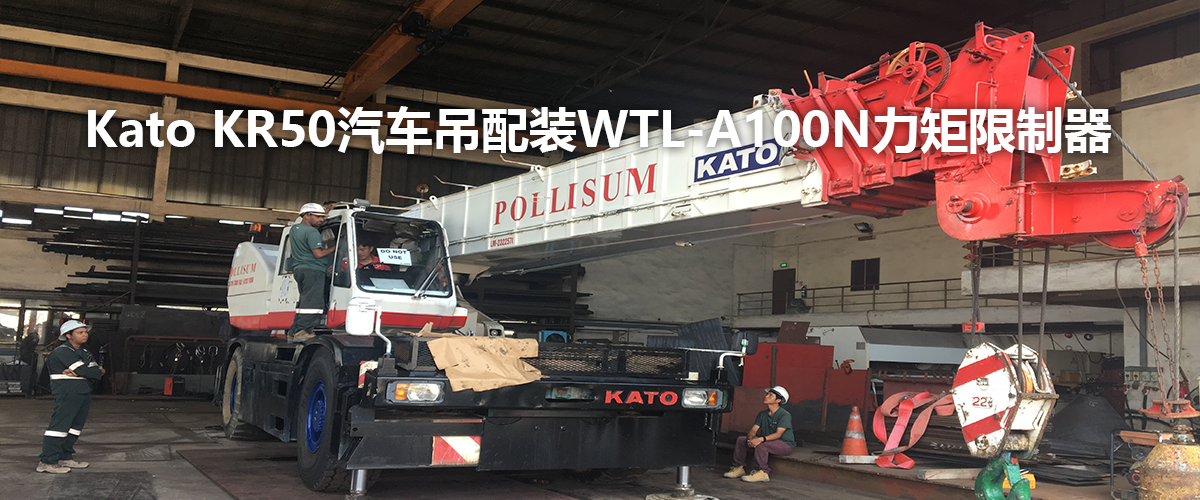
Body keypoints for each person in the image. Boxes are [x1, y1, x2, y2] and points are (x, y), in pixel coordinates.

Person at [37, 320, 104, 474]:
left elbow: (96, 373)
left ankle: (64, 456)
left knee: (75, 427)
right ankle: (47, 461)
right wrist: (86, 371)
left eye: (85, 332)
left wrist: (88, 371)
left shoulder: (85, 352)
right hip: (68, 393)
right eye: (80, 332)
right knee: (59, 427)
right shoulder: (63, 351)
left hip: (83, 392)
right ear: (68, 335)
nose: (85, 335)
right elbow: (87, 371)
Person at [723, 385, 795, 483]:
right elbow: (754, 429)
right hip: (768, 441)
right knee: (741, 440)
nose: (766, 396)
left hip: (784, 444)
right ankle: (739, 468)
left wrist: (760, 439)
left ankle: (762, 472)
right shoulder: (762, 414)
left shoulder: (784, 415)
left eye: (770, 395)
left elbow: (778, 434)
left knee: (761, 444)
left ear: (778, 400)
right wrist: (750, 439)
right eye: (767, 394)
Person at [288, 203, 336, 343]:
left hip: (299, 269)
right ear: (307, 215)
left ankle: (293, 332)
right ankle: (303, 331)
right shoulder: (312, 232)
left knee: (304, 302)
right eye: (318, 216)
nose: (321, 220)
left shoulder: (294, 229)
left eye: (323, 217)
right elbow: (318, 254)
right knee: (313, 303)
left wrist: (326, 210)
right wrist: (335, 248)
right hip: (313, 270)